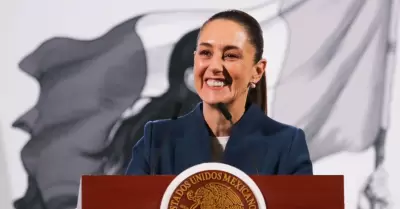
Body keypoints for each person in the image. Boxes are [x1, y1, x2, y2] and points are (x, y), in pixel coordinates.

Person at [125, 9, 313, 175]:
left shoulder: (286, 144)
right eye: (205, 53)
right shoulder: (156, 140)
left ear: (257, 71)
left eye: (231, 55)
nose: (214, 66)